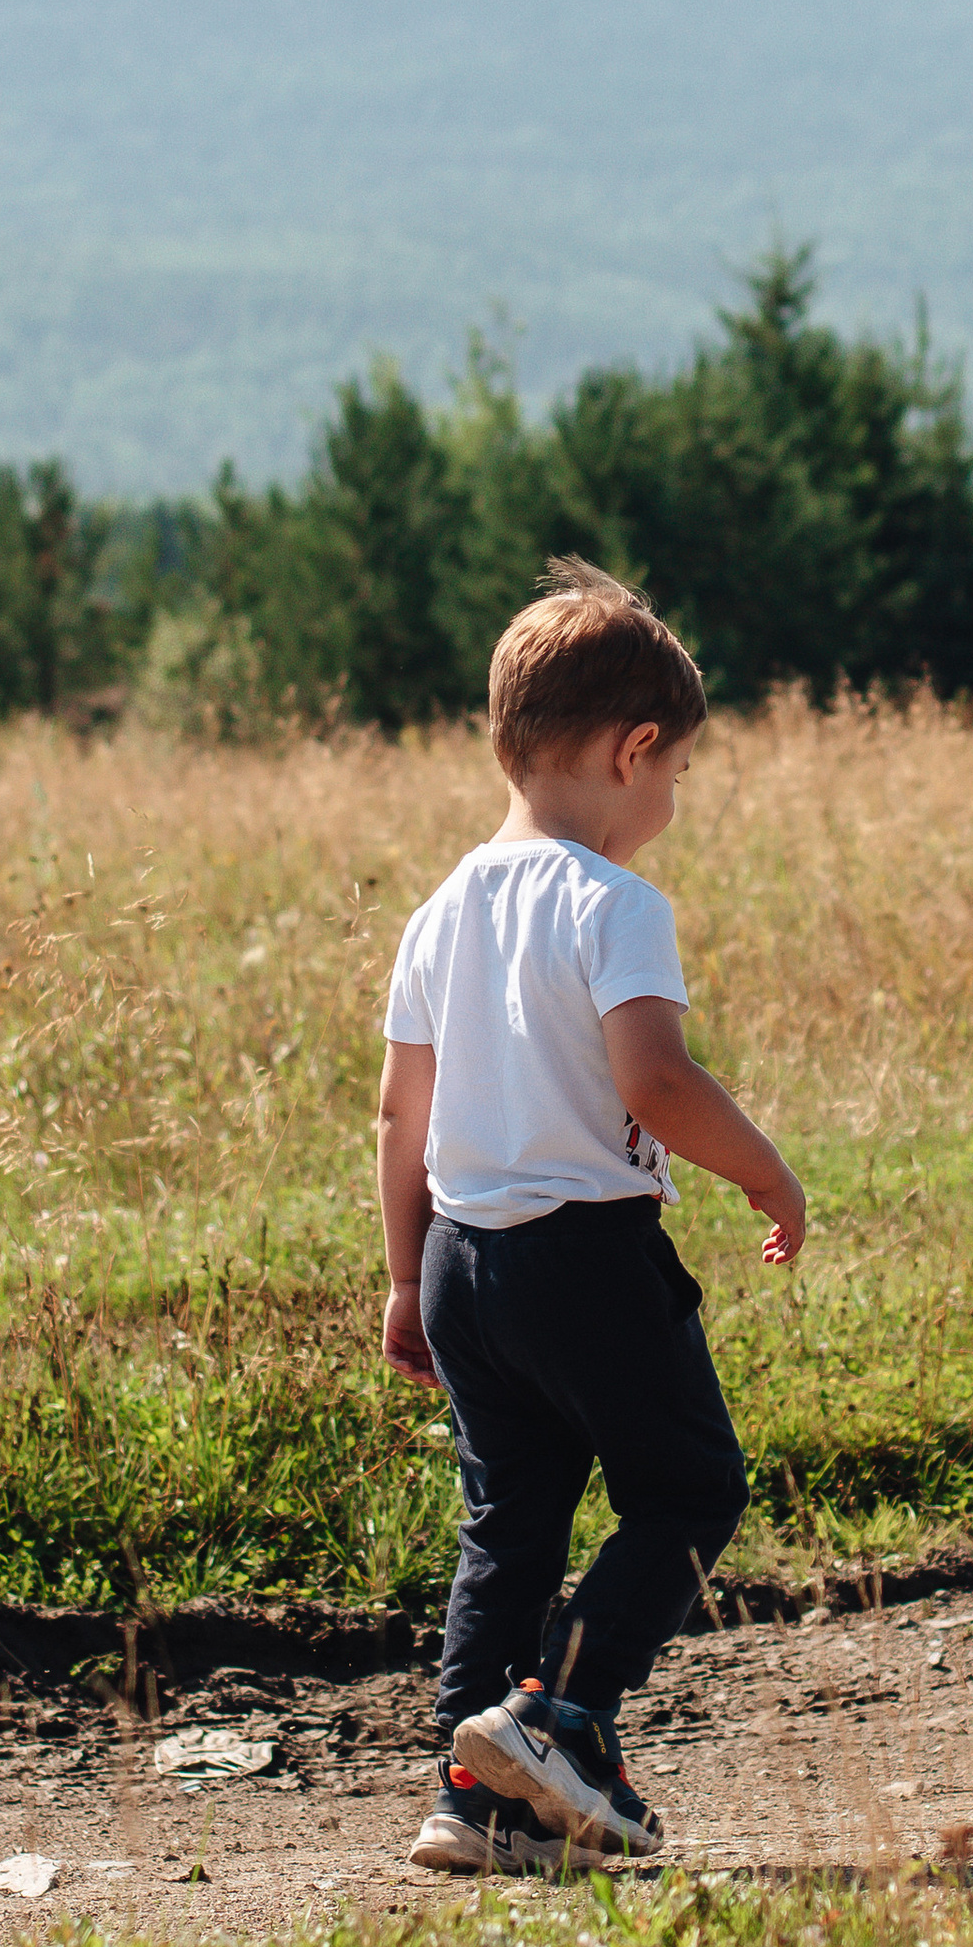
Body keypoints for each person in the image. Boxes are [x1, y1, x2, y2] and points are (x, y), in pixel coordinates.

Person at [377, 559, 808, 1873]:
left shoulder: (439, 912)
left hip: (462, 1262)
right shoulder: (615, 905)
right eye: (675, 774)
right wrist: (764, 1171)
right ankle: (563, 1718)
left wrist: (404, 1284)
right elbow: (655, 1080)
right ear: (633, 752)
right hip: (587, 1257)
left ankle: (477, 1795)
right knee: (686, 1485)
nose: (670, 800)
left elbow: (400, 1116)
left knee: (510, 1518)